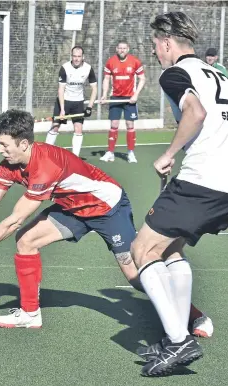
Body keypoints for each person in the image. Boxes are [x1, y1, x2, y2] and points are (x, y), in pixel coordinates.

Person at [0, 109, 210, 333]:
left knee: (136, 277)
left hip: (107, 207)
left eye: (4, 145)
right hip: (73, 208)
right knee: (27, 242)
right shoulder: (9, 165)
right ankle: (30, 314)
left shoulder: (44, 166)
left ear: (24, 143)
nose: (0, 150)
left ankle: (192, 313)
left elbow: (14, 219)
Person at [131, 12, 228, 376]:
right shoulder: (220, 73)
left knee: (142, 249)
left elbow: (196, 112)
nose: (155, 52)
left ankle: (178, 341)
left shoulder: (176, 73)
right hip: (222, 182)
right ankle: (179, 333)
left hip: (202, 179)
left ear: (167, 43)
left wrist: (169, 153)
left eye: (155, 45)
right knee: (171, 247)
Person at [45, 46, 97, 156]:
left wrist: (89, 107)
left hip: (78, 102)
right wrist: (62, 110)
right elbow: (61, 89)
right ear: (71, 56)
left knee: (78, 129)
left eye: (79, 56)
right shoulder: (65, 68)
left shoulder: (88, 68)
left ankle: (75, 157)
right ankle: (46, 154)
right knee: (55, 126)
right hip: (64, 100)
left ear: (83, 57)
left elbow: (95, 88)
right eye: (74, 56)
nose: (77, 59)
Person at [99, 40, 145, 163]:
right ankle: (110, 153)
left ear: (128, 49)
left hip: (130, 99)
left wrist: (136, 95)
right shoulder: (110, 62)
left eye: (124, 48)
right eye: (120, 48)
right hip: (115, 98)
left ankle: (130, 153)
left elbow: (142, 79)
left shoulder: (135, 61)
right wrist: (104, 95)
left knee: (130, 125)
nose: (122, 50)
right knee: (114, 125)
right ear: (116, 49)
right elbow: (106, 79)